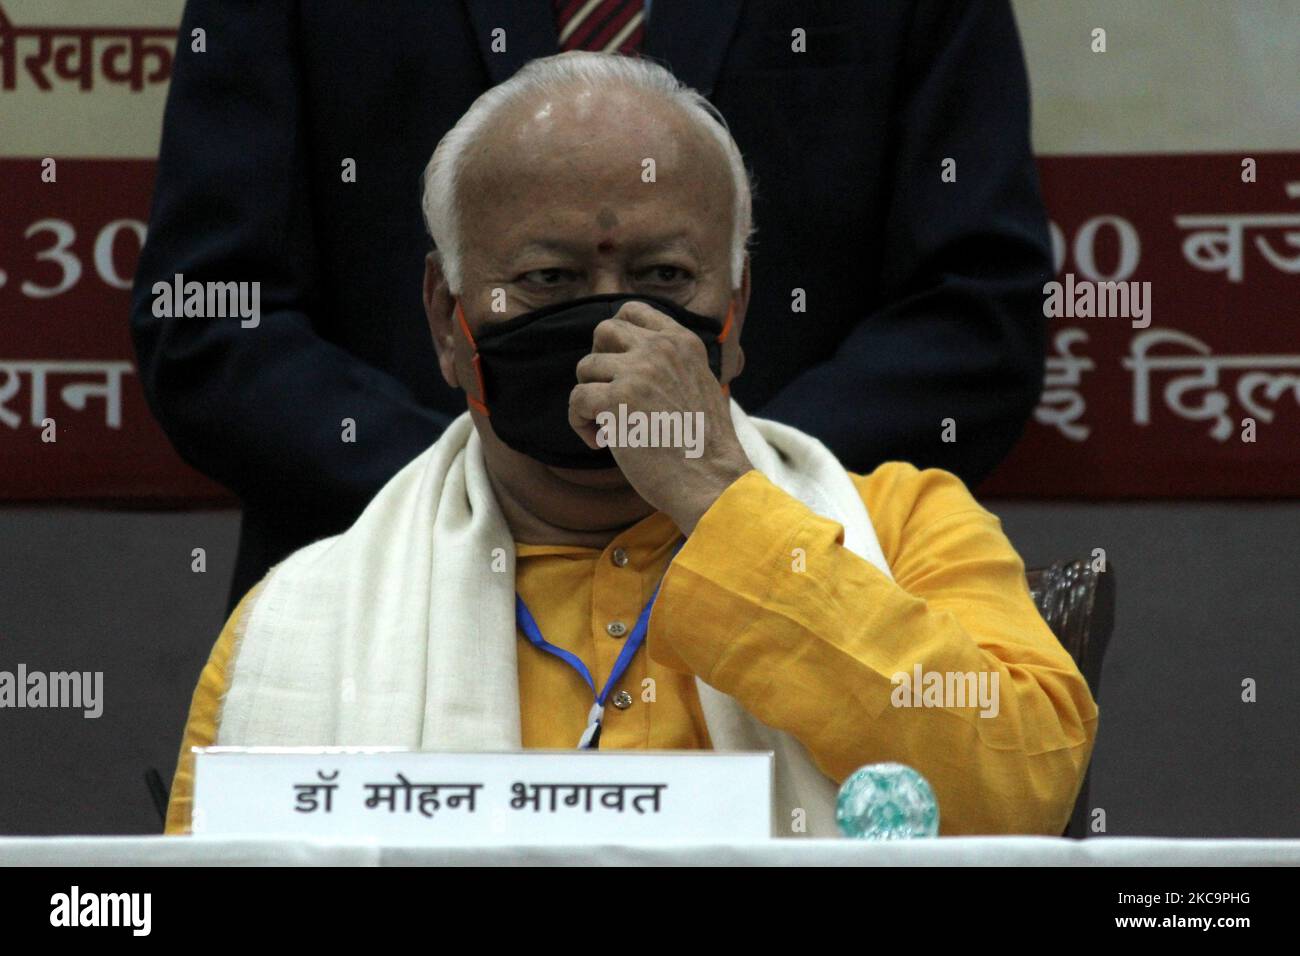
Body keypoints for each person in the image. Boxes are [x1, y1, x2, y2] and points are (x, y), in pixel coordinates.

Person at [164, 53, 1094, 838]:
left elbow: (1017, 800)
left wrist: (727, 507)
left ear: (735, 310)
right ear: (449, 320)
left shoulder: (907, 528)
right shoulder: (302, 615)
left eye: (663, 276)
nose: (612, 324)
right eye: (548, 278)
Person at [131, 0, 1052, 613]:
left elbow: (973, 316)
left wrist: (727, 497)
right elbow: (211, 316)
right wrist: (497, 505)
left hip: (798, 588)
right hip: (377, 601)